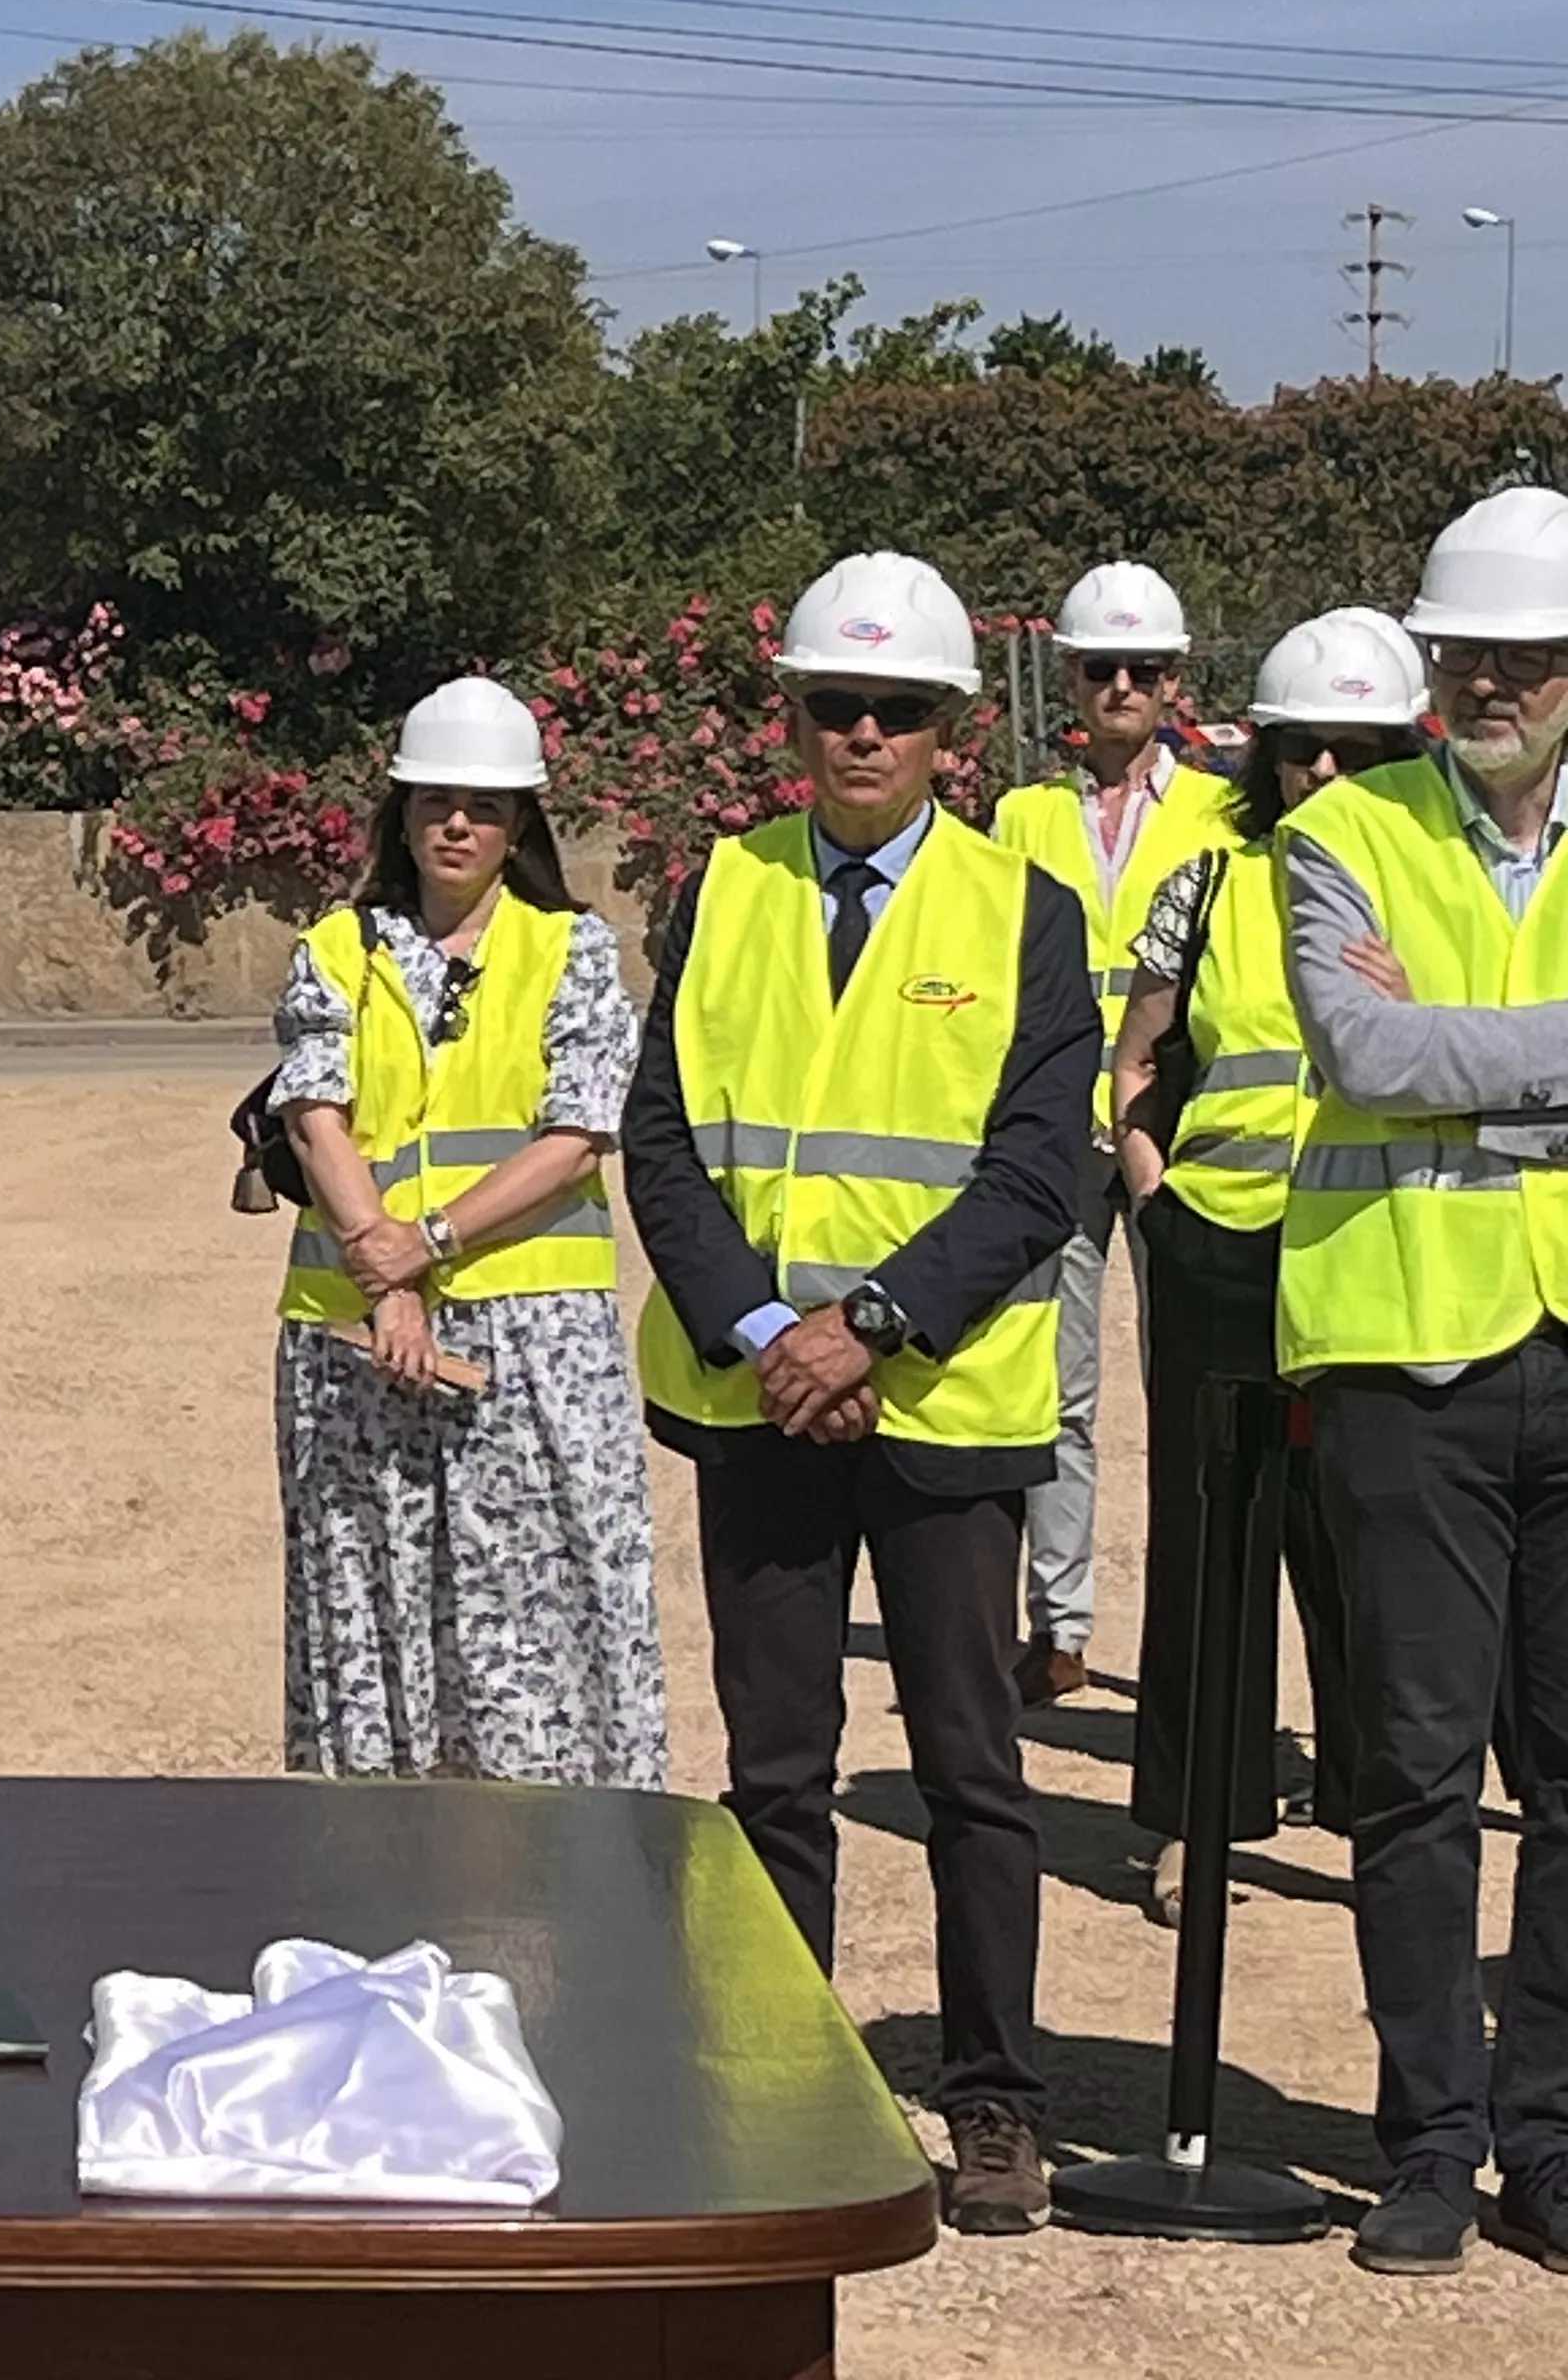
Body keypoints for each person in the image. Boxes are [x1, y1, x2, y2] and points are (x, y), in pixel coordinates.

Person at [624, 550, 1093, 2236]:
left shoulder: (1019, 907)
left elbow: (1038, 1165)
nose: (864, 733)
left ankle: (993, 2102)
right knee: (775, 1768)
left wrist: (870, 1323)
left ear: (951, 727)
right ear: (792, 716)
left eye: (897, 708)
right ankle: (780, 2079)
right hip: (763, 1398)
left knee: (971, 1766)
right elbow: (661, 1137)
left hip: (941, 1405)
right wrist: (767, 1326)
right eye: (834, 704)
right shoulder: (723, 884)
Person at [1273, 485, 1568, 2278]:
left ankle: (1543, 2137)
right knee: (1410, 1774)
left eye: (1522, 655)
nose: (1487, 681)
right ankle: (1425, 2136)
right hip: (1400, 1349)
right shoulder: (1346, 826)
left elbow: (1416, 1050)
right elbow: (1357, 1047)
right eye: (1463, 651)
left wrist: (1458, 1062)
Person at [266, 675, 665, 1789]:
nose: (457, 823)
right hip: (358, 1345)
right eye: (436, 799)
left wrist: (425, 1242)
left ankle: (556, 1869)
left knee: (541, 1613)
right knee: (370, 1599)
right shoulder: (337, 950)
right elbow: (315, 1112)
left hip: (534, 1342)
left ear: (519, 824)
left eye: (484, 806)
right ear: (399, 811)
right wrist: (384, 1272)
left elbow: (580, 1133)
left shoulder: (573, 952)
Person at [1106, 610, 1425, 1927]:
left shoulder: (1436, 883)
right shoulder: (1210, 884)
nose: (1329, 779)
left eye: (1360, 752)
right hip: (1219, 1253)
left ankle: (1380, 1810)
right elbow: (1137, 1062)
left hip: (1377, 1250)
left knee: (1372, 1536)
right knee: (1206, 1545)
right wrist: (1153, 1194)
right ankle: (1199, 1825)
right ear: (1273, 757)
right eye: (1308, 753)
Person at [988, 561, 1241, 1706]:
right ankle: (1063, 1625)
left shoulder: (1222, 811)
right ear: (1070, 680)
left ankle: (1196, 1643)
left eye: (1144, 669)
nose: (1123, 687)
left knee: (1182, 1384)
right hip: (1055, 1123)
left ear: (1175, 681)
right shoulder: (1020, 816)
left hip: (1170, 1122)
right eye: (1102, 669)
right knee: (1060, 1383)